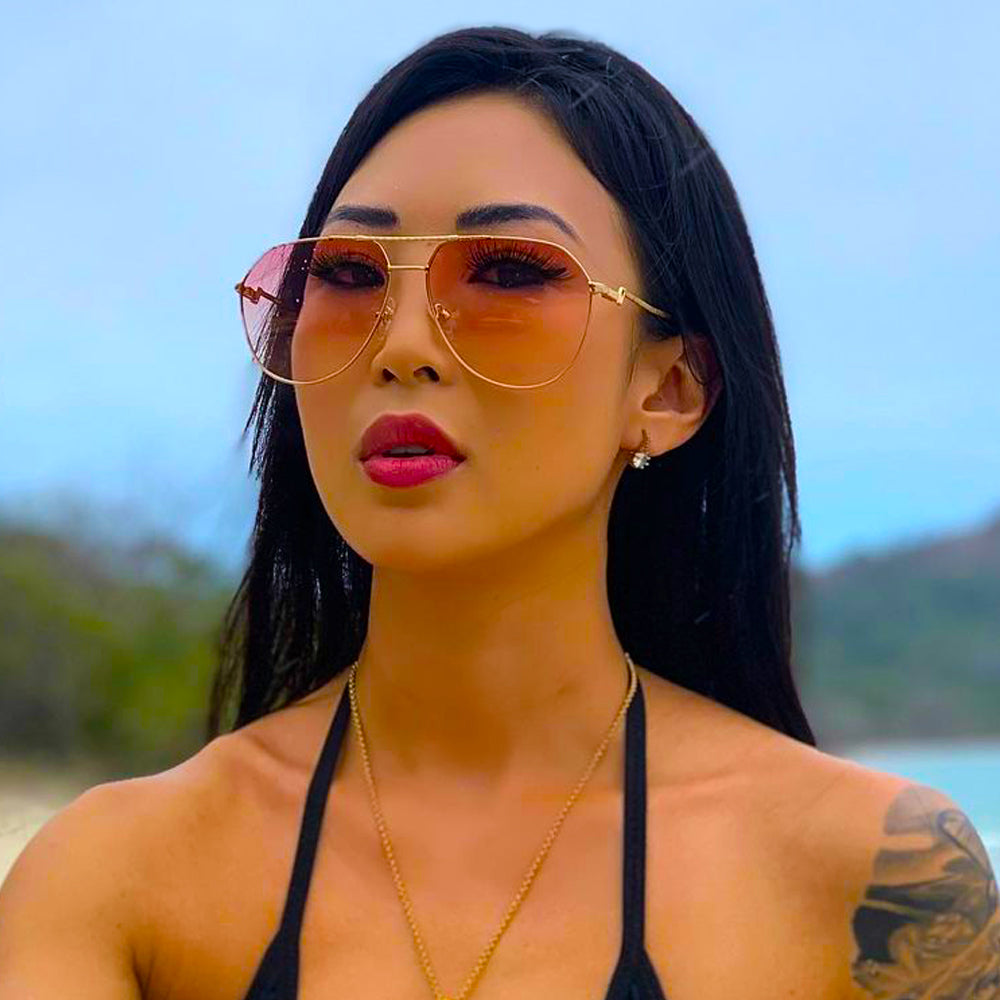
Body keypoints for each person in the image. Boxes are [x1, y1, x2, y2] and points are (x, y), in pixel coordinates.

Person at [1, 25, 996, 1000]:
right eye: (346, 275)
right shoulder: (120, 878)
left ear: (669, 388)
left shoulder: (878, 881)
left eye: (510, 272)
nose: (401, 345)